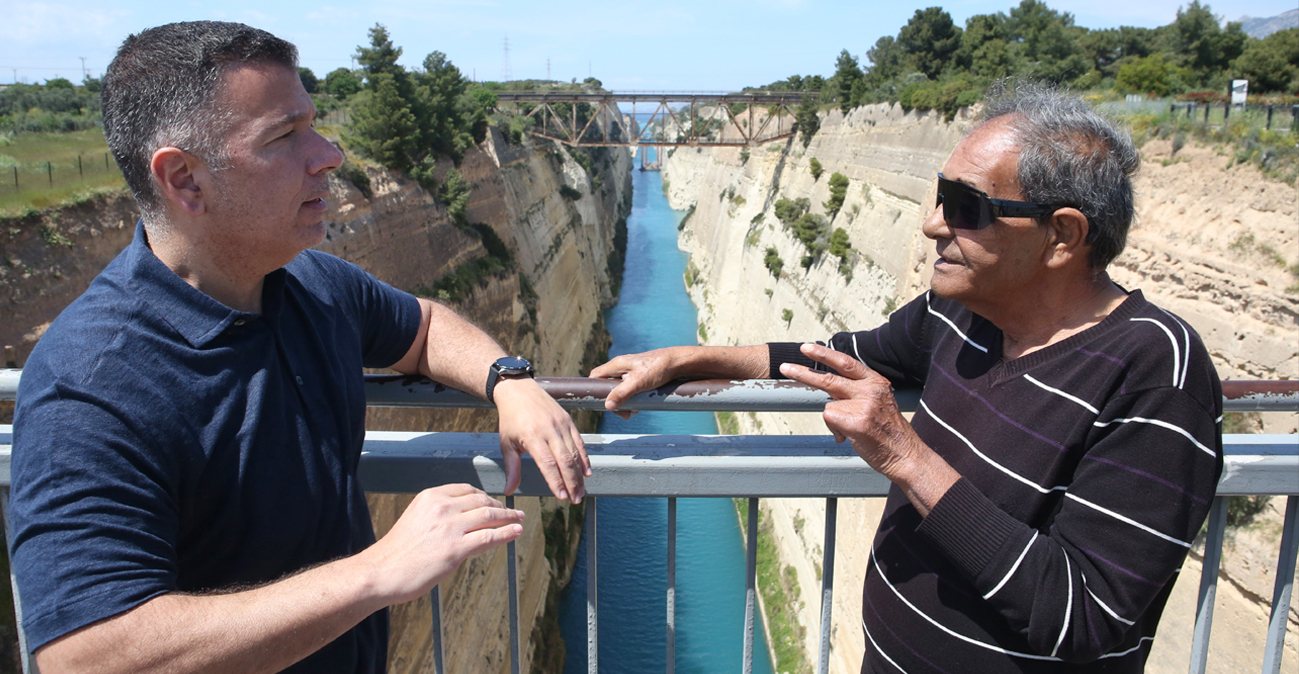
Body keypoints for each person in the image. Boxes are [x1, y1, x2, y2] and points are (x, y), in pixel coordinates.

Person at [8, 21, 589, 674]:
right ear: (185, 180)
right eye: (285, 137)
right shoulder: (91, 386)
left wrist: (507, 381)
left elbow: (421, 328)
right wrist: (377, 573)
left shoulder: (312, 284)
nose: (330, 154)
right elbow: (84, 656)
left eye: (312, 124)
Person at [592, 82, 1222, 673]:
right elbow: (836, 353)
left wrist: (905, 454)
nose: (933, 224)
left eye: (966, 207)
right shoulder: (961, 313)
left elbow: (1085, 615)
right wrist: (690, 359)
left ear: (1062, 235)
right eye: (940, 195)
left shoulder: (1157, 368)